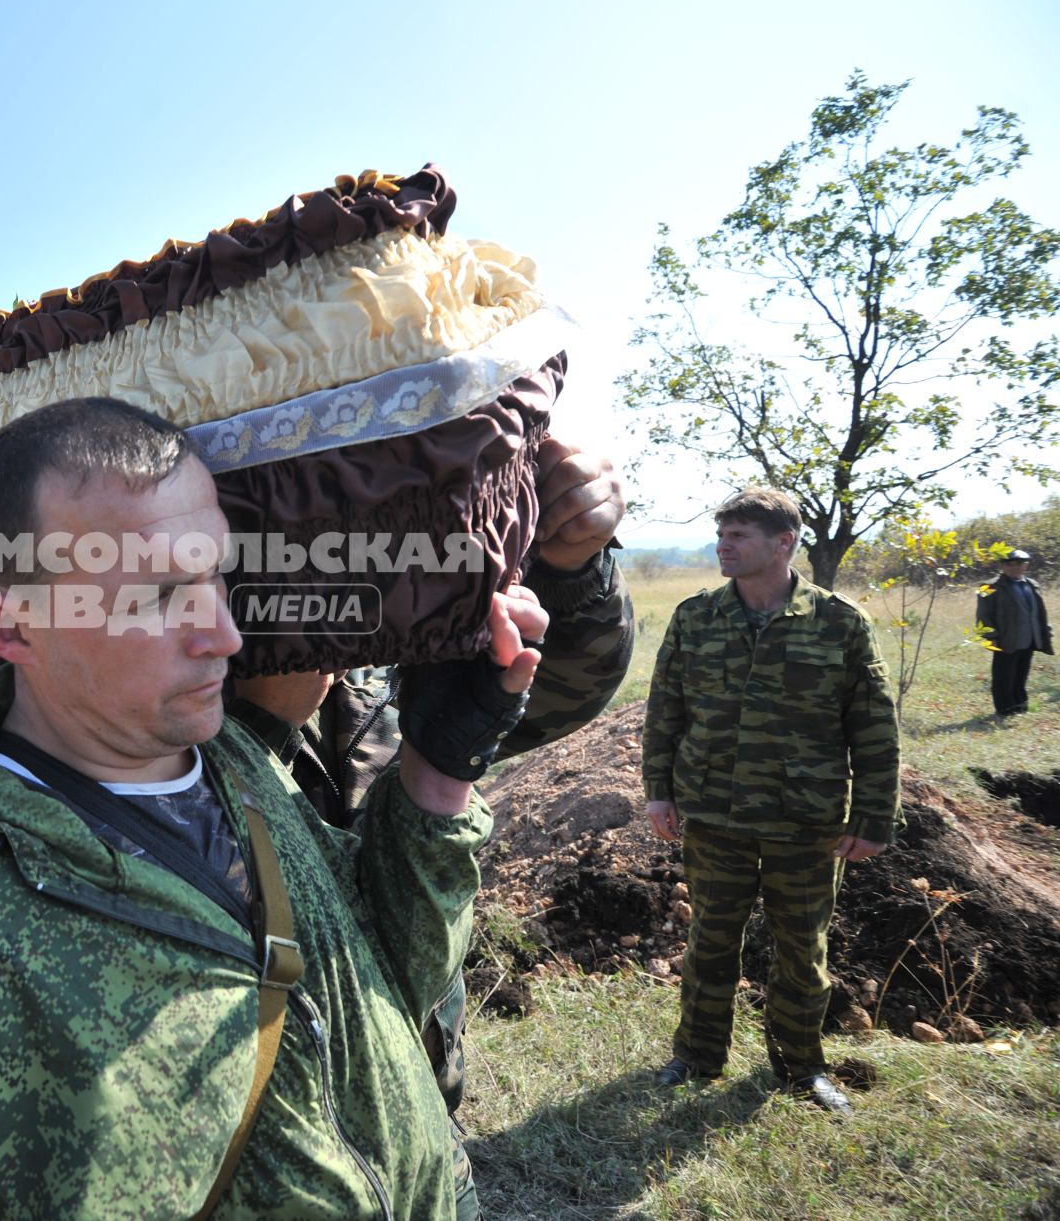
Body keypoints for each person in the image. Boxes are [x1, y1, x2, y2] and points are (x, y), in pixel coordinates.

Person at [0, 397, 547, 1219]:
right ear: (13, 627)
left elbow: (385, 984)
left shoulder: (231, 759)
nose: (222, 632)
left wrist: (439, 774)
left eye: (215, 574)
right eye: (156, 595)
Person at [224, 438, 632, 1221]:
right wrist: (260, 721)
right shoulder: (158, 686)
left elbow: (564, 684)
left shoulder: (394, 648)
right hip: (265, 1144)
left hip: (418, 1096)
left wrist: (575, 567)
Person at [642, 488, 900, 1115]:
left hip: (804, 821)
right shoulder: (696, 616)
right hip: (714, 815)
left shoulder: (840, 622)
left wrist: (872, 818)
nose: (723, 546)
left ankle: (799, 1067)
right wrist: (658, 793)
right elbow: (665, 710)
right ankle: (697, 1056)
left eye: (739, 535)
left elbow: (873, 725)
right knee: (709, 942)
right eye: (722, 534)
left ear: (784, 543)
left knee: (802, 953)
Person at [976, 549, 1051, 717]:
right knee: (1003, 676)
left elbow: (1038, 611)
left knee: (1021, 674)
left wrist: (1045, 630)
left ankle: (1021, 706)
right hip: (1005, 638)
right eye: (1009, 564)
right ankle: (1005, 709)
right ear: (1002, 566)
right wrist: (991, 638)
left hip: (1030, 637)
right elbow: (983, 615)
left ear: (1026, 565)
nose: (1014, 567)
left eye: (1018, 564)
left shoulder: (1032, 584)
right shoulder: (988, 586)